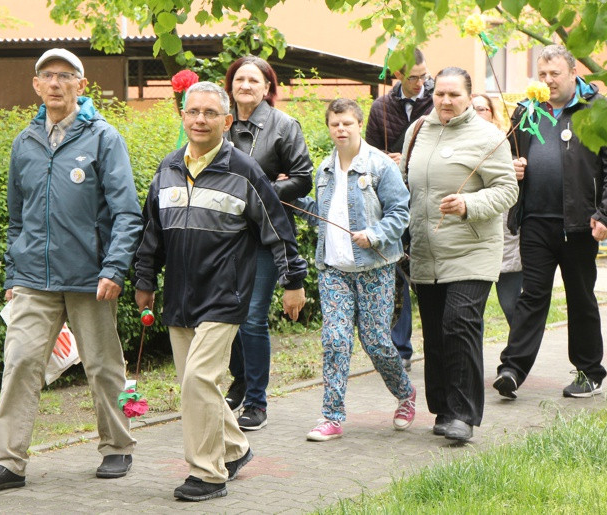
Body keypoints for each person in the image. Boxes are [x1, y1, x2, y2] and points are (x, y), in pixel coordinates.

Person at [0, 49, 142, 491]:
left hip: (91, 279)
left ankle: (117, 446)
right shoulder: (24, 142)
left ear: (81, 86)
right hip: (33, 278)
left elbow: (127, 213)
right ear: (36, 85)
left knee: (104, 366)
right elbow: (15, 218)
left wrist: (115, 268)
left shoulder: (104, 138)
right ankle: (8, 462)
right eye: (48, 76)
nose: (56, 83)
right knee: (21, 361)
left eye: (66, 76)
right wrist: (12, 274)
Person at [133, 81, 307, 502]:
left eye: (211, 114)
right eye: (193, 112)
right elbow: (151, 233)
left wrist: (293, 282)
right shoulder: (168, 168)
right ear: (182, 116)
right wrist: (143, 280)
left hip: (225, 296)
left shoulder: (244, 170)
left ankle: (208, 474)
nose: (200, 120)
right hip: (178, 297)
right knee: (197, 387)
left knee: (198, 381)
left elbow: (277, 230)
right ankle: (235, 448)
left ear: (227, 122)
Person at [493, 45, 607, 401]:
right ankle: (512, 369)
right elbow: (509, 157)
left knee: (580, 298)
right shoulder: (526, 111)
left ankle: (589, 372)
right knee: (532, 297)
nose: (548, 81)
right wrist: (514, 168)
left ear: (572, 73)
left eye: (555, 74)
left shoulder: (599, 111)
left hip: (581, 223)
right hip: (535, 219)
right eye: (542, 75)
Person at [401, 67, 517, 442]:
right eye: (440, 95)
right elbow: (406, 186)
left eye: (455, 95)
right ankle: (444, 408)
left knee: (459, 323)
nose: (446, 101)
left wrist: (468, 203)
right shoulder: (417, 131)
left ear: (469, 96)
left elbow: (506, 190)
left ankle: (464, 415)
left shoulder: (488, 137)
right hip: (426, 249)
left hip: (472, 248)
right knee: (435, 332)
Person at [294, 99, 417, 442]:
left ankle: (405, 395)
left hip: (374, 267)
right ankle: (331, 417)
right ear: (329, 127)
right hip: (333, 268)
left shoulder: (380, 166)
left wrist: (375, 234)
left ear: (359, 123)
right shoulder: (324, 169)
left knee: (376, 341)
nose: (341, 129)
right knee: (335, 340)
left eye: (347, 123)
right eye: (335, 124)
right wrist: (285, 195)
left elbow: (399, 212)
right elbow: (321, 212)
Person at [222, 56, 314, 431]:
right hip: (223, 235)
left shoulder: (283, 126)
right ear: (230, 86)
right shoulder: (219, 119)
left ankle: (257, 401)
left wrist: (264, 191)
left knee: (253, 319)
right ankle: (239, 379)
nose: (245, 85)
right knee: (225, 315)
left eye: (253, 80)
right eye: (239, 78)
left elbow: (304, 177)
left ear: (266, 88)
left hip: (263, 235)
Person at [365, 48, 435, 371]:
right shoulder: (381, 107)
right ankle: (400, 349)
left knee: (428, 273)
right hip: (393, 202)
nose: (421, 82)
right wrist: (387, 159)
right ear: (397, 76)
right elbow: (368, 153)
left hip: (428, 198)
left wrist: (410, 160)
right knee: (397, 274)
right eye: (414, 77)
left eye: (424, 75)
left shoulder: (437, 101)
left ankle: (435, 342)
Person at [472, 93, 522, 325]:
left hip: (506, 237)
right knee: (471, 313)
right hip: (471, 238)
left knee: (512, 305)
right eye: (472, 108)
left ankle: (517, 359)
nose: (477, 113)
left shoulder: (508, 143)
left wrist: (519, 170)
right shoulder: (454, 144)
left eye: (482, 109)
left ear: (493, 114)